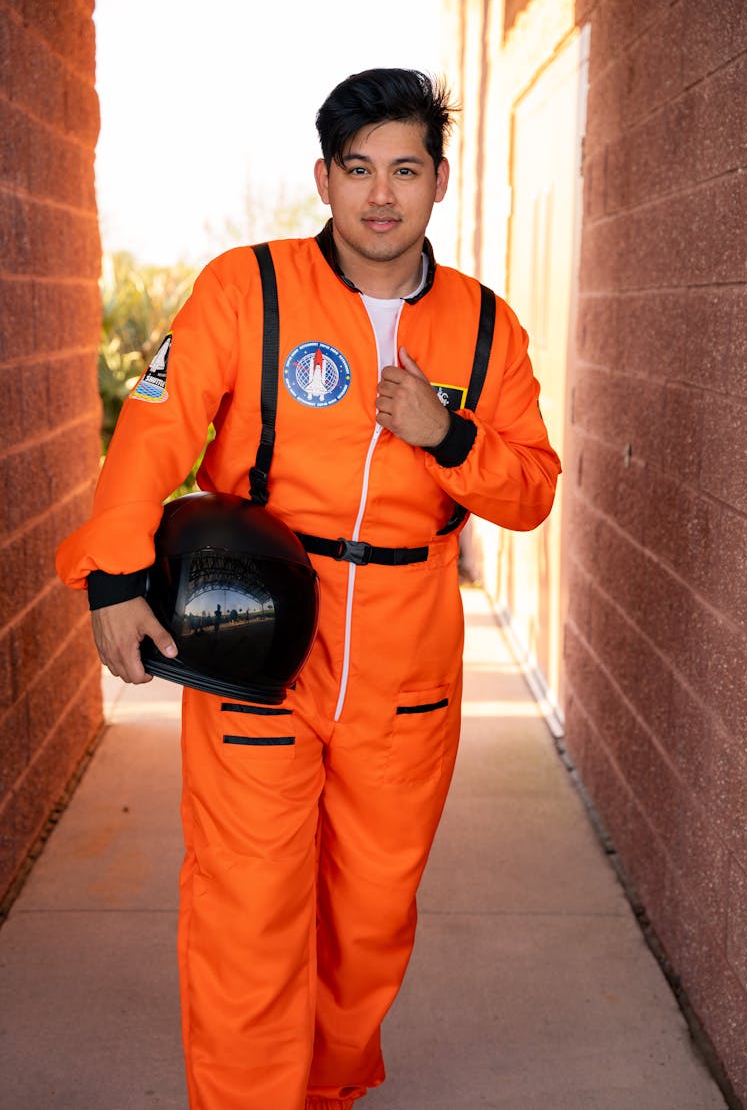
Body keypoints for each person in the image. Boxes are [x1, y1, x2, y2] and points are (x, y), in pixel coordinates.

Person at [56, 68, 561, 1110]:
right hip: (259, 636)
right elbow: (155, 427)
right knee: (248, 912)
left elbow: (532, 488)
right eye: (360, 170)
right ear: (324, 179)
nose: (383, 195)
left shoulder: (484, 327)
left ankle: (321, 1093)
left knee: (369, 922)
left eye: (406, 170)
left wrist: (448, 434)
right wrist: (109, 575)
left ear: (440, 181)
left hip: (407, 661)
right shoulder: (249, 290)